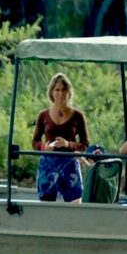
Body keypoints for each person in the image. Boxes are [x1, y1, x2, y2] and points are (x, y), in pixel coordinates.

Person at [32, 73, 90, 202]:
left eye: (64, 90)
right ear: (52, 92)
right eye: (57, 90)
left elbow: (85, 143)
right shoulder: (43, 115)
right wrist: (43, 147)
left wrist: (68, 144)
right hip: (48, 165)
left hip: (70, 164)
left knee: (75, 202)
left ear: (68, 92)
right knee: (46, 203)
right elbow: (35, 141)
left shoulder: (78, 116)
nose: (60, 93)